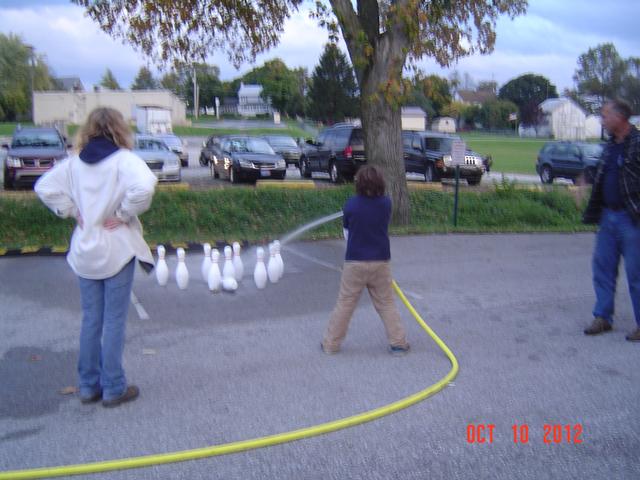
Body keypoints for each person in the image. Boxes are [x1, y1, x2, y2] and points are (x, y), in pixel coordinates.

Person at [35, 107, 158, 406]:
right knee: (114, 321)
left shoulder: (74, 163)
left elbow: (44, 187)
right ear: (119, 128)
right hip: (115, 249)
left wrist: (73, 211)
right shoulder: (124, 161)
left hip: (85, 251)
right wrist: (123, 213)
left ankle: (89, 386)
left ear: (88, 129)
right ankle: (114, 387)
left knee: (91, 319)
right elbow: (145, 187)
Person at [322, 165, 410, 355]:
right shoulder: (386, 203)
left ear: (359, 183)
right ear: (381, 183)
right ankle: (398, 343)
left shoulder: (351, 205)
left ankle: (331, 345)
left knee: (345, 303)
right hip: (381, 262)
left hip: (355, 262)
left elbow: (346, 233)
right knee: (386, 303)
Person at [582, 99, 640, 342]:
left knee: (636, 274)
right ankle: (603, 317)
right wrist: (586, 177)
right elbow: (607, 173)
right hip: (608, 217)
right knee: (603, 269)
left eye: (605, 116)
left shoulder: (638, 144)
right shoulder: (610, 145)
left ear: (620, 118)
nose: (602, 120)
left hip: (632, 218)